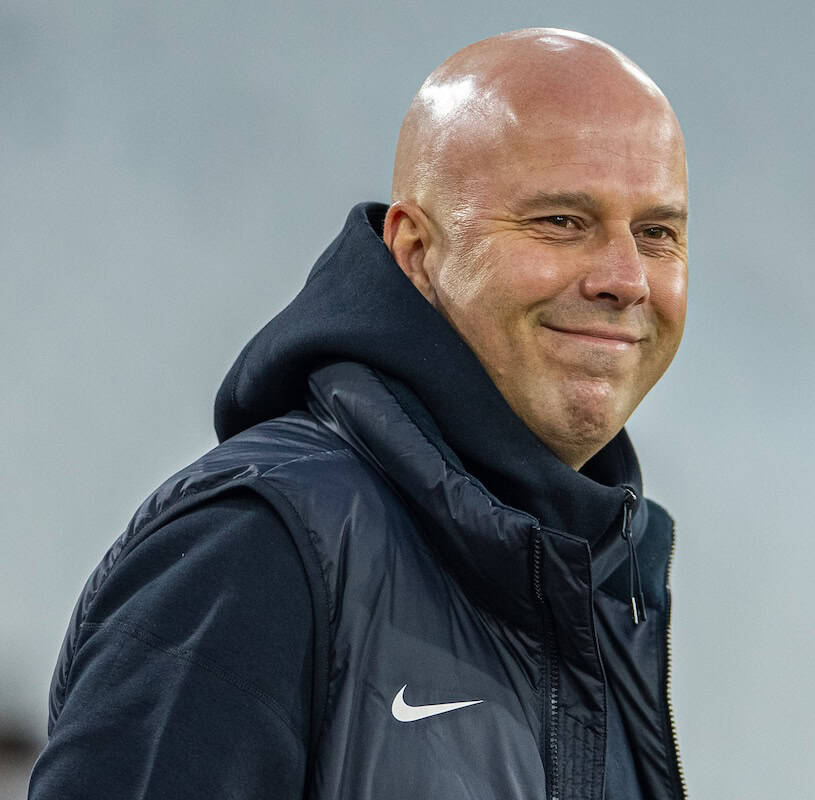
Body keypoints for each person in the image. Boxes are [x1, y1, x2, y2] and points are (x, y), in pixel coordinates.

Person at [29, 28, 688, 800]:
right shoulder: (257, 548)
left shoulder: (602, 585)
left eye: (657, 234)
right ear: (415, 249)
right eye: (560, 222)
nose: (625, 278)